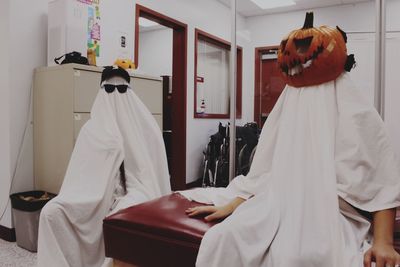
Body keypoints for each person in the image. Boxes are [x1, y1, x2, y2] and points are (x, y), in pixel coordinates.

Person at [180, 13, 400, 267]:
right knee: (223, 237)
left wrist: (383, 242)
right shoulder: (289, 106)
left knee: (303, 253)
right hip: (278, 205)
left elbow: (381, 184)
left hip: (336, 213)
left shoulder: (358, 115)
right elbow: (266, 173)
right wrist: (236, 204)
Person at [37, 67, 171, 267]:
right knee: (51, 212)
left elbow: (153, 176)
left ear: (130, 91)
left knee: (125, 215)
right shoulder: (90, 131)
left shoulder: (146, 129)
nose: (115, 94)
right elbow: (79, 176)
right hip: (93, 193)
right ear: (101, 91)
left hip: (137, 192)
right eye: (109, 89)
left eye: (122, 89)